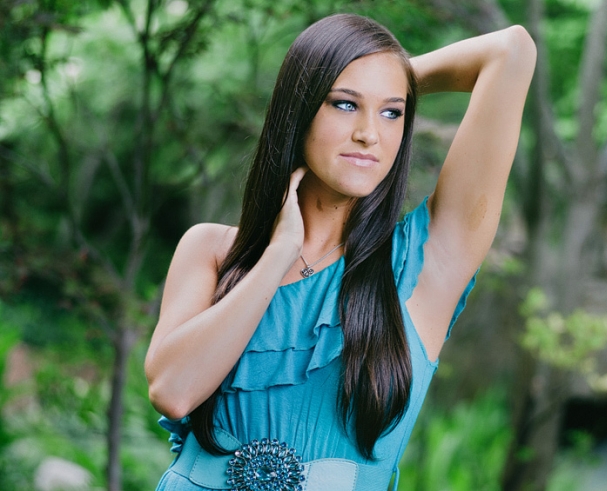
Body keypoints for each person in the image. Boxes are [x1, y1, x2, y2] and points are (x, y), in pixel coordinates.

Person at [146, 13, 535, 491]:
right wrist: (278, 254)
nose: (370, 133)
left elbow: (511, 51)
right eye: (345, 105)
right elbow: (172, 391)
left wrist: (388, 74)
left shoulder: (424, 264)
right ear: (300, 108)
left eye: (392, 112)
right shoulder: (210, 249)